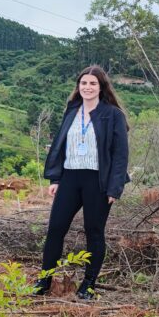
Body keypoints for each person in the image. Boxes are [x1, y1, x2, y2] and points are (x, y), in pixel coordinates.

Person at [35, 66, 130, 300]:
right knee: (56, 228)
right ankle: (44, 279)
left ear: (101, 87)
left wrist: (115, 187)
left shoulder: (112, 114)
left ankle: (88, 284)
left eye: (92, 84)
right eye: (84, 83)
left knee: (94, 232)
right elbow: (60, 144)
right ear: (78, 86)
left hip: (98, 180)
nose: (87, 87)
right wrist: (56, 178)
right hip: (70, 176)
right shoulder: (72, 110)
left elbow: (120, 154)